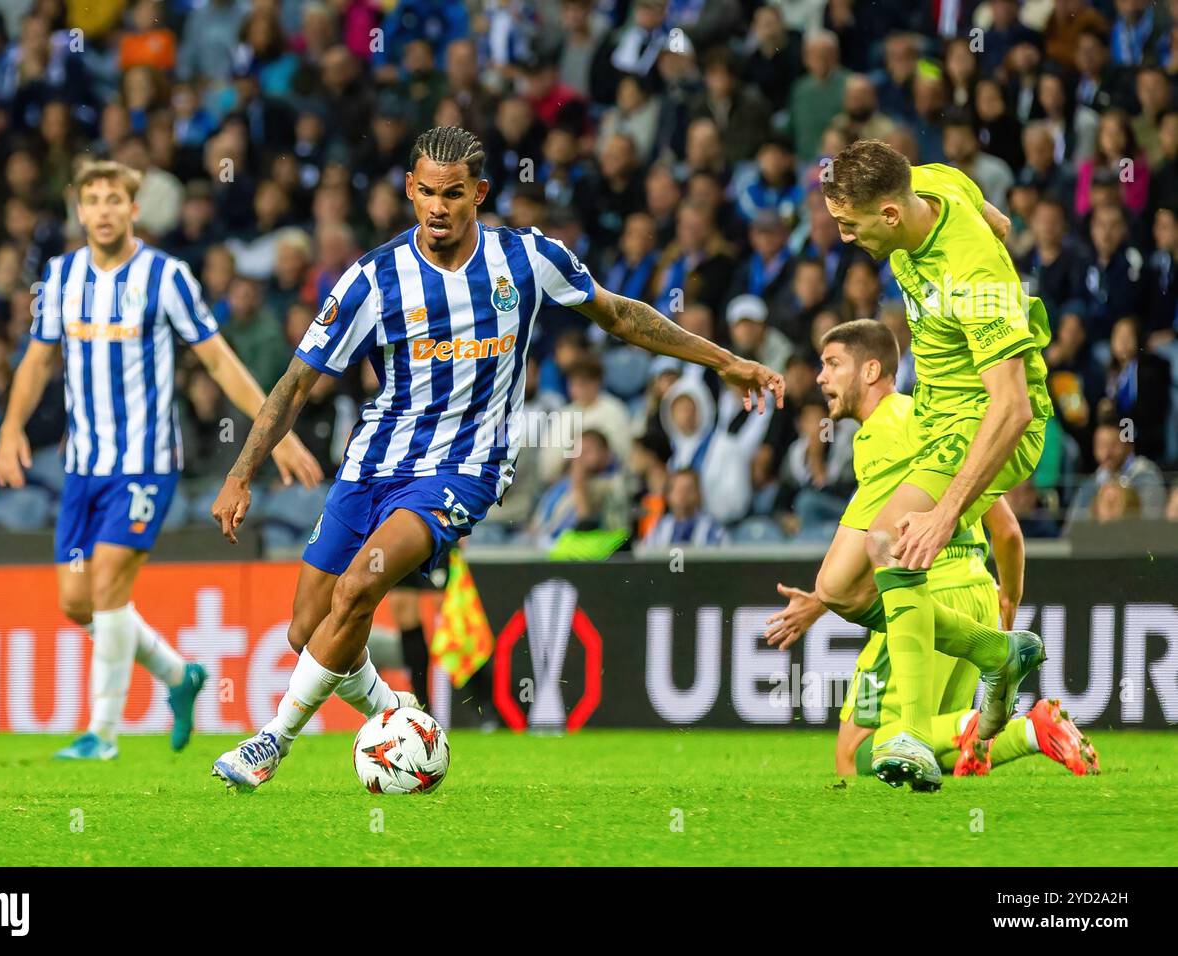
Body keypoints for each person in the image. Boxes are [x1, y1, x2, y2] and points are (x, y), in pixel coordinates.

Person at [207, 127, 784, 790]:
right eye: (426, 191)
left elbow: (622, 317)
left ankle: (271, 741)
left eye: (453, 193)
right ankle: (397, 714)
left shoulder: (528, 260)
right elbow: (296, 384)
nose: (438, 206)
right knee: (305, 629)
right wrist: (240, 472)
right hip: (372, 463)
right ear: (409, 190)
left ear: (479, 193)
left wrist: (725, 360)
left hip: (465, 468)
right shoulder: (373, 279)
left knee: (360, 586)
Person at [0, 160, 320, 761]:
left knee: (110, 585)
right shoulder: (60, 276)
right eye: (92, 199)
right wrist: (11, 425)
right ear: (80, 211)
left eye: (115, 198)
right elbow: (38, 360)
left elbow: (219, 360)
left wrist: (277, 435)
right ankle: (178, 675)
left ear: (134, 209)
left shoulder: (166, 276)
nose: (105, 209)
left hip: (145, 463)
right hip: (83, 465)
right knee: (77, 601)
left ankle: (102, 734)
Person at [764, 320, 1098, 779]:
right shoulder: (934, 428)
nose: (821, 377)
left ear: (871, 370)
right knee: (934, 748)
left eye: (832, 364)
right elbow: (1007, 531)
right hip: (978, 593)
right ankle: (1023, 719)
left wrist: (826, 598)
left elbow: (867, 557)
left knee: (855, 753)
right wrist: (1008, 598)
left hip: (922, 594)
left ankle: (1028, 727)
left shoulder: (878, 433)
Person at [821, 139, 1054, 790]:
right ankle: (997, 655)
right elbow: (998, 219)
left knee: (895, 545)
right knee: (841, 590)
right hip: (932, 415)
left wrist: (946, 514)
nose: (843, 237)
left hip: (987, 419)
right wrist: (996, 228)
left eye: (850, 225)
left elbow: (1009, 409)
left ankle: (912, 733)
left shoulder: (974, 279)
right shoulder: (929, 181)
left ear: (891, 216)